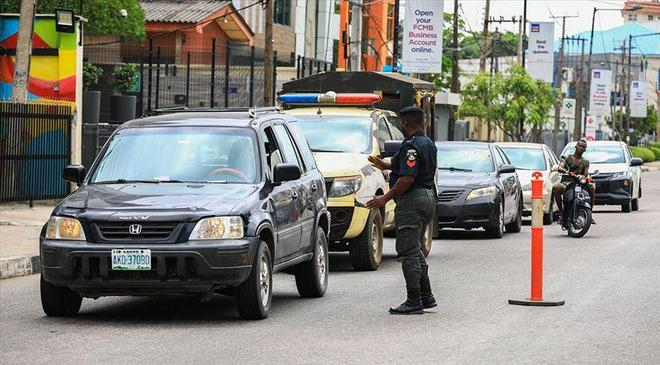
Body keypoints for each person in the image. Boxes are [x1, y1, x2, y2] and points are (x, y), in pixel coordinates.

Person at [365, 106, 437, 315]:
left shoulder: (411, 146)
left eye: (401, 122)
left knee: (408, 252)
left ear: (406, 123)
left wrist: (384, 198)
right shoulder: (427, 143)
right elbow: (412, 167)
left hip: (412, 201)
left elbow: (407, 177)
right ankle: (426, 296)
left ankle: (414, 301)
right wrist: (385, 165)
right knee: (415, 248)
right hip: (427, 198)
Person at [552, 139, 596, 225]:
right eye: (579, 146)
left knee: (592, 187)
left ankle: (590, 213)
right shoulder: (567, 158)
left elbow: (585, 174)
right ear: (576, 146)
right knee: (557, 188)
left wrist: (587, 178)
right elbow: (561, 166)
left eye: (583, 147)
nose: (581, 148)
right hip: (567, 182)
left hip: (580, 183)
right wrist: (562, 169)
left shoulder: (585, 162)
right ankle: (561, 213)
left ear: (585, 150)